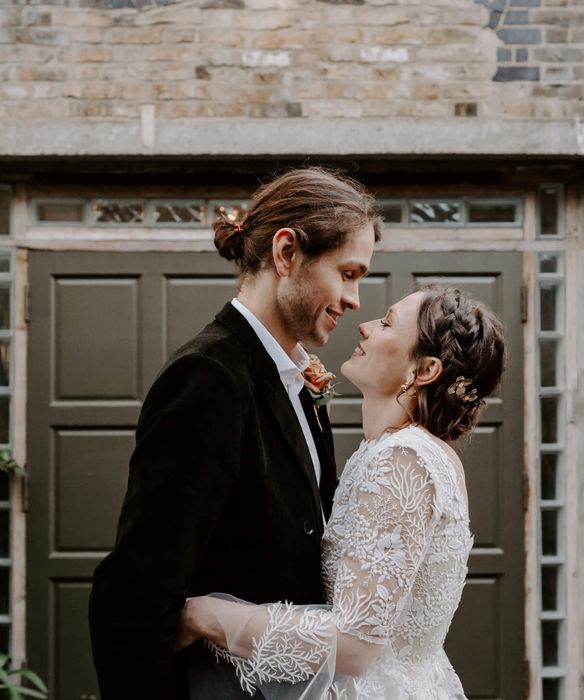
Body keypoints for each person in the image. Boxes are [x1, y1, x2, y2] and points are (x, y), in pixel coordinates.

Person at [89, 166, 381, 700]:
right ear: (287, 253)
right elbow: (138, 586)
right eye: (347, 273)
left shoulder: (297, 376)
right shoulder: (208, 377)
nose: (356, 298)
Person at [179, 285, 507, 699]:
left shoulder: (403, 459)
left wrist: (205, 615)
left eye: (387, 324)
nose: (366, 327)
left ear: (425, 371)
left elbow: (354, 647)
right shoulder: (417, 452)